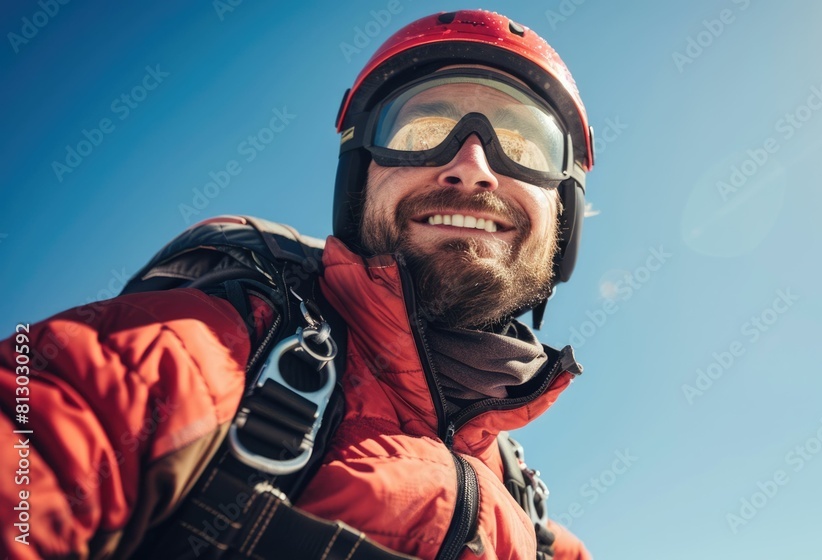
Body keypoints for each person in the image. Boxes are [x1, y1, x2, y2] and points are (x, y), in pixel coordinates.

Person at [0, 9, 595, 560]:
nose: (471, 166)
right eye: (423, 129)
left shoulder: (525, 506)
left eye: (522, 145)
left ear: (563, 210)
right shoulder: (216, 348)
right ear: (361, 179)